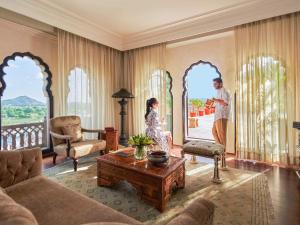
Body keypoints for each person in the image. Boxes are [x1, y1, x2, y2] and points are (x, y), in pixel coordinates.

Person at [211, 77, 230, 148]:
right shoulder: (219, 91)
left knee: (221, 135)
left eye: (215, 84)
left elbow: (225, 103)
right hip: (217, 115)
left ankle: (222, 155)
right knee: (214, 132)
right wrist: (211, 105)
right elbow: (219, 103)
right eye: (214, 84)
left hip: (222, 116)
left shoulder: (224, 91)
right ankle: (220, 149)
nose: (214, 85)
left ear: (220, 83)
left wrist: (216, 100)